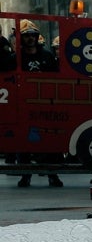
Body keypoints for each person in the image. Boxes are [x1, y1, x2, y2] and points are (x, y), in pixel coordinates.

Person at [14, 20, 63, 188]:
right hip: (23, 105)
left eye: (32, 35)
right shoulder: (17, 57)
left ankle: (53, 175)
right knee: (23, 141)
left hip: (44, 104)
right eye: (26, 36)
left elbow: (57, 78)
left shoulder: (47, 56)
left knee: (49, 139)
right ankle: (25, 175)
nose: (30, 39)